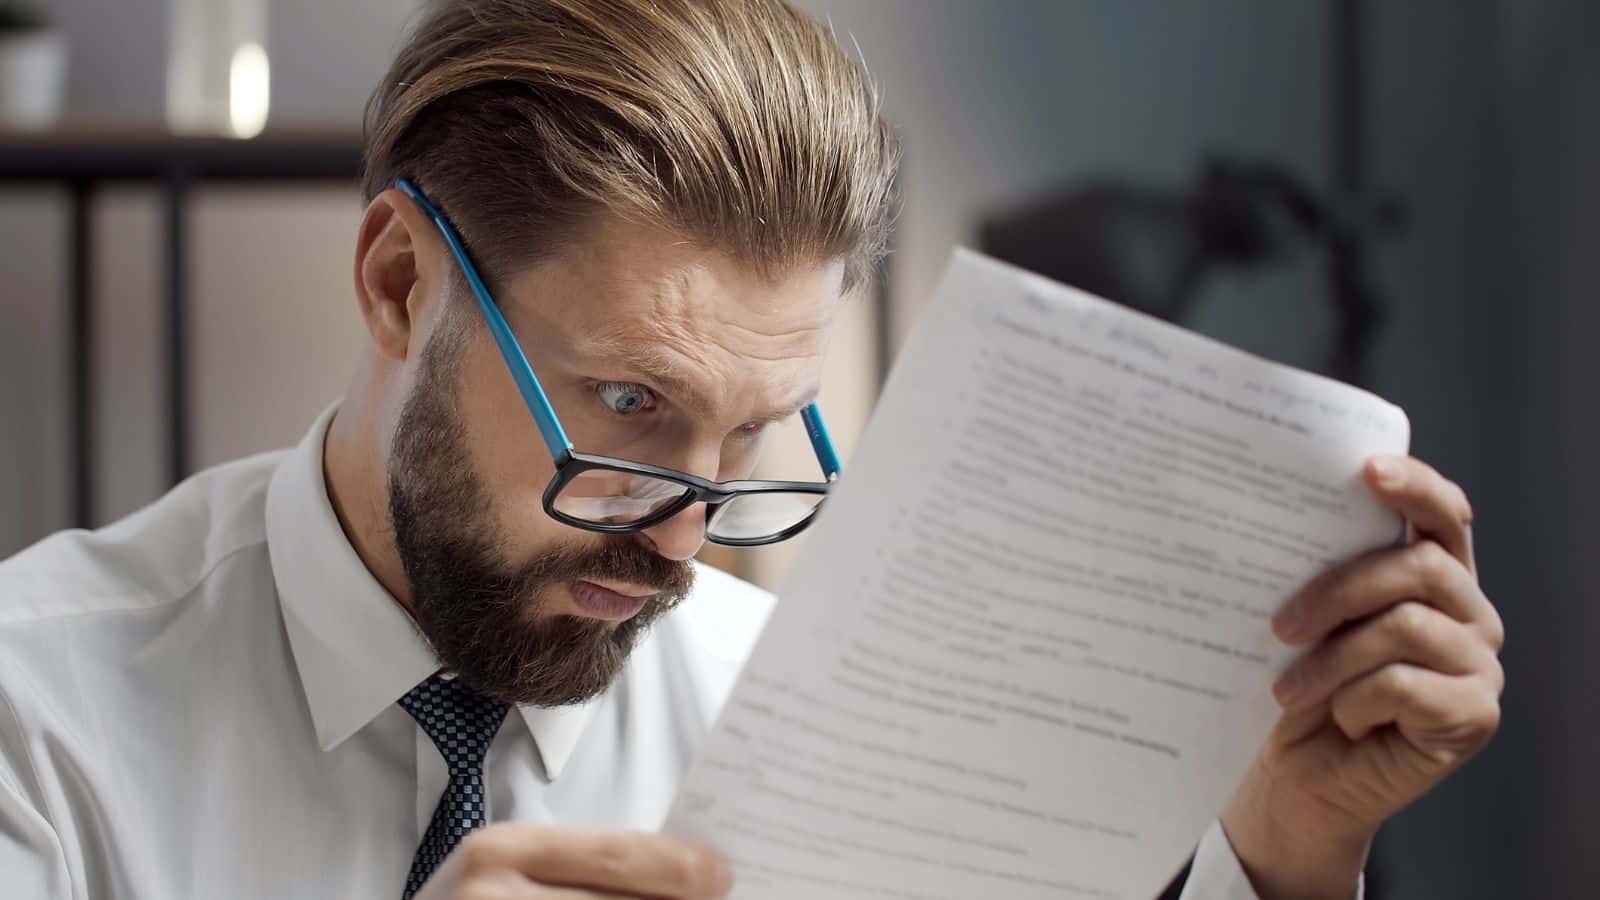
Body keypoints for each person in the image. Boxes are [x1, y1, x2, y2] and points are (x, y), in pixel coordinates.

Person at [0, 1, 1503, 898]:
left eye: (754, 435)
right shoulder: (41, 719)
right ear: (402, 284)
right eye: (633, 408)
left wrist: (1288, 857)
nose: (679, 541)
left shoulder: (808, 722)